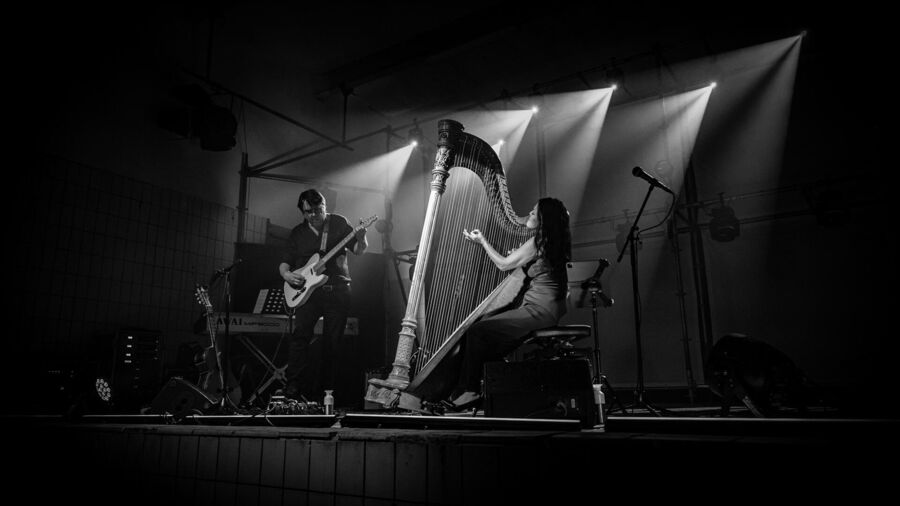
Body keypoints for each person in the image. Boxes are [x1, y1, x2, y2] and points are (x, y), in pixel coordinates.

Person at [448, 197, 572, 409]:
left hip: (538, 311)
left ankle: (469, 390)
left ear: (544, 218)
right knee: (488, 339)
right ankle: (499, 388)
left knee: (477, 331)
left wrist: (482, 241)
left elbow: (504, 265)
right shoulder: (553, 241)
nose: (530, 215)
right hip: (548, 310)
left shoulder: (538, 241)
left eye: (534, 212)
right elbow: (534, 266)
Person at [279, 189, 367, 403]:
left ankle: (326, 393)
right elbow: (285, 262)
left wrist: (362, 237)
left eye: (318, 210)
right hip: (308, 293)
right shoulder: (297, 233)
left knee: (332, 343)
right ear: (302, 211)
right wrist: (287, 275)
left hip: (337, 291)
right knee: (300, 337)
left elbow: (358, 250)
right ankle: (293, 386)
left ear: (325, 207)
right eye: (309, 212)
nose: (314, 215)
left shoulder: (338, 223)